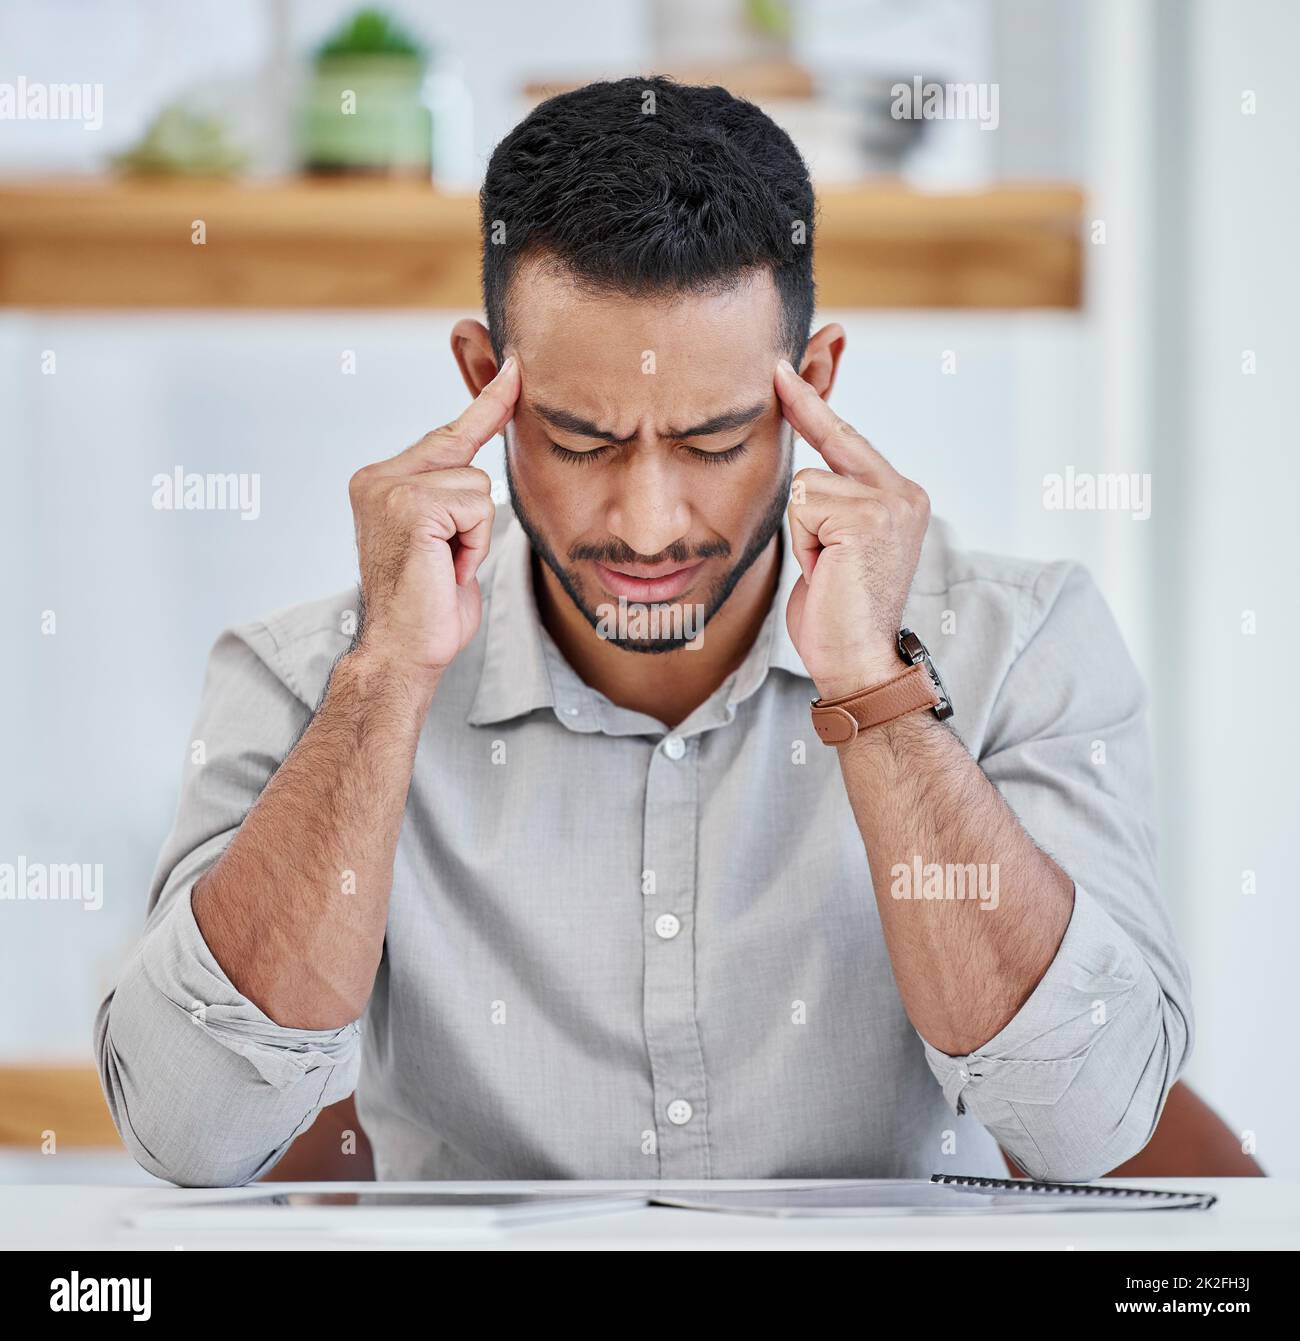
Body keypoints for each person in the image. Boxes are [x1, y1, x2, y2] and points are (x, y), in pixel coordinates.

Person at [95, 77, 1192, 1186]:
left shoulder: (1024, 643)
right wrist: (383, 681)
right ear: (485, 387)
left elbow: (1085, 1128)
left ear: (812, 389)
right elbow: (193, 1134)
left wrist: (875, 690)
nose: (648, 525)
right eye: (580, 441)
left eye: (714, 442)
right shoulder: (305, 678)